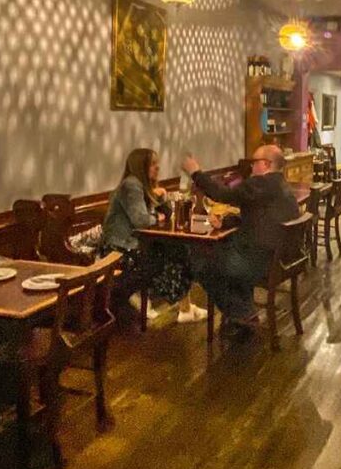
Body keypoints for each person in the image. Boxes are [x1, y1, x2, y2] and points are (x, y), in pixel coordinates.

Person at [182, 144, 299, 338]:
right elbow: (258, 216)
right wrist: (225, 222)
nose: (251, 167)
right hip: (280, 259)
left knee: (200, 261)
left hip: (261, 261)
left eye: (254, 162)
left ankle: (242, 313)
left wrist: (195, 173)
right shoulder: (280, 185)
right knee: (223, 252)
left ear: (265, 164)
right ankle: (240, 312)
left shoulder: (261, 183)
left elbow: (223, 195)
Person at [100, 148, 206, 323]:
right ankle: (181, 307)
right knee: (177, 252)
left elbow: (167, 213)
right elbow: (141, 220)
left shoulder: (144, 186)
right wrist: (158, 216)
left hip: (134, 244)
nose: (157, 167)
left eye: (157, 163)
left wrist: (162, 196)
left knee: (180, 250)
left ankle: (184, 307)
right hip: (119, 249)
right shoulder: (131, 184)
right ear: (140, 166)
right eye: (152, 164)